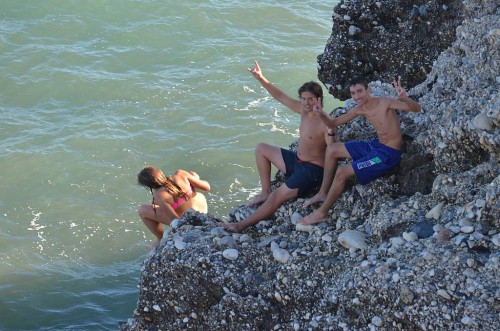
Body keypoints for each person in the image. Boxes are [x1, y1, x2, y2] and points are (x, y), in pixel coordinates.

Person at [219, 60, 334, 233]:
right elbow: (280, 96)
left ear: (319, 98)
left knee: (277, 196)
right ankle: (264, 190)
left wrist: (324, 191)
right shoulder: (303, 110)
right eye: (303, 99)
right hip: (297, 161)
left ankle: (240, 225)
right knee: (261, 149)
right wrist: (261, 78)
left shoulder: (326, 123)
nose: (306, 103)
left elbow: (333, 154)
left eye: (310, 99)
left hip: (311, 171)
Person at [298, 76, 421, 225]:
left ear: (368, 90)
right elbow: (333, 123)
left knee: (342, 172)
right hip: (375, 145)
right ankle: (323, 193)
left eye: (360, 91)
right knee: (332, 149)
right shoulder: (359, 109)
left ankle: (321, 213)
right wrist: (321, 113)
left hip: (386, 156)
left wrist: (405, 98)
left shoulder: (384, 102)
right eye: (353, 93)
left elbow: (416, 108)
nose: (357, 96)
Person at [137, 166, 210, 249]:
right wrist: (196, 179)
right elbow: (207, 187)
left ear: (149, 186)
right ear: (160, 172)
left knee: (142, 210)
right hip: (202, 210)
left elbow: (175, 220)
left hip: (190, 221)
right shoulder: (181, 174)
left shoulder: (158, 195)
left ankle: (160, 239)